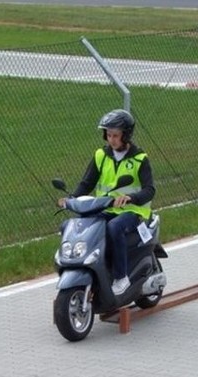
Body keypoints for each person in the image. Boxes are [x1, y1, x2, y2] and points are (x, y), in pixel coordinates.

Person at [58, 109, 156, 294]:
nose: (111, 140)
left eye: (116, 136)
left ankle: (121, 276)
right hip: (105, 207)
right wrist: (71, 199)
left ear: (126, 135)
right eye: (108, 135)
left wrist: (131, 198)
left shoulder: (139, 159)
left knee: (114, 228)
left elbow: (150, 190)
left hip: (132, 211)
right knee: (70, 225)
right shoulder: (101, 155)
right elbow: (87, 183)